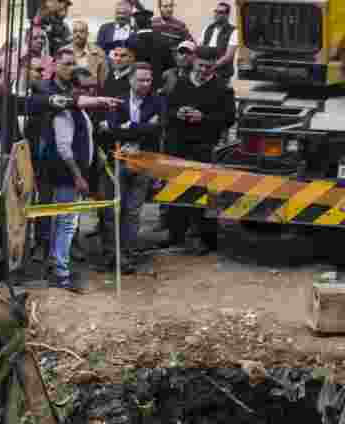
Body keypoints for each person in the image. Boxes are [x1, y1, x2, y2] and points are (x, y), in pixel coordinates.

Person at [164, 45, 235, 251]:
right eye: (201, 65)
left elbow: (229, 119)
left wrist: (203, 118)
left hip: (205, 146)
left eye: (209, 67)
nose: (204, 70)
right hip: (178, 145)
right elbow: (167, 110)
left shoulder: (223, 88)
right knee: (176, 190)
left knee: (204, 193)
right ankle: (175, 235)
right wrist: (178, 113)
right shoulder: (182, 83)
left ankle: (206, 239)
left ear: (215, 66)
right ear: (194, 61)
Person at [99, 62, 162, 271]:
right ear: (130, 79)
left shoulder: (157, 101)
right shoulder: (116, 99)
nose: (145, 84)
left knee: (133, 213)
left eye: (149, 80)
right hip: (116, 161)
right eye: (141, 80)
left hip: (143, 162)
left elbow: (158, 129)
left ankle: (127, 255)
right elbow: (110, 130)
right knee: (112, 211)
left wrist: (129, 127)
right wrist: (142, 128)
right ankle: (111, 254)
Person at [40, 60, 96, 292]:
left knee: (64, 222)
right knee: (66, 223)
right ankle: (61, 272)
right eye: (85, 88)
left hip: (73, 175)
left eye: (92, 87)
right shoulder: (65, 111)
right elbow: (64, 148)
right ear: (73, 88)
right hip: (67, 176)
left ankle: (57, 265)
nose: (90, 92)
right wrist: (78, 176)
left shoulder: (80, 110)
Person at [200, 2, 237, 83]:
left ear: (227, 15)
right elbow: (200, 48)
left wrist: (212, 67)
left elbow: (228, 56)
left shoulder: (233, 31)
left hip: (222, 73)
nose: (216, 14)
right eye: (216, 11)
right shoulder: (207, 28)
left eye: (220, 12)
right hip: (204, 71)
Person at [71, 20, 107, 89]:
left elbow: (103, 80)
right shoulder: (63, 51)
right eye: (75, 31)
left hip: (92, 93)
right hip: (70, 93)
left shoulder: (98, 52)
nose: (78, 34)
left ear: (87, 34)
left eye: (81, 31)